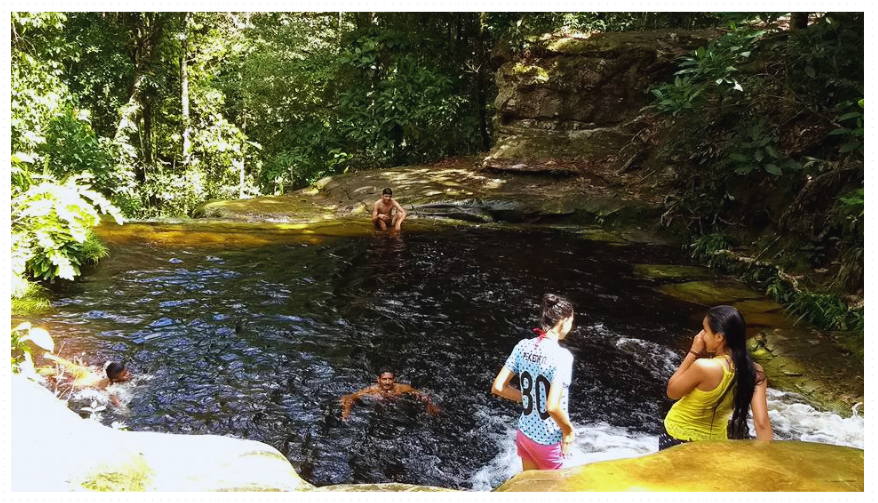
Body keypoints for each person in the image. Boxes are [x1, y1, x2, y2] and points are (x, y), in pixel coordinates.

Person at [660, 305, 773, 450]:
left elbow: (672, 392)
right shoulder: (755, 371)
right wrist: (769, 458)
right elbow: (762, 423)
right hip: (715, 444)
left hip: (678, 437)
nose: (701, 336)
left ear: (719, 337)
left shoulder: (704, 367)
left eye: (705, 330)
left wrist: (693, 352)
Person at [492, 294, 577, 471]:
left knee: (531, 488)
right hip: (548, 440)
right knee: (556, 491)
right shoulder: (562, 357)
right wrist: (568, 431)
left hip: (525, 434)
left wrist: (527, 397)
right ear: (564, 321)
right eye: (571, 321)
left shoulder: (523, 346)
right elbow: (552, 407)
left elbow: (498, 387)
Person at [340, 368, 440, 420]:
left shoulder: (402, 388)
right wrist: (346, 415)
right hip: (378, 409)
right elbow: (348, 398)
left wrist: (429, 404)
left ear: (394, 379)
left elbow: (422, 394)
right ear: (378, 380)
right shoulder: (371, 390)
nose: (387, 382)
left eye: (390, 379)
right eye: (384, 379)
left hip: (399, 407)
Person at [43, 355, 132, 406]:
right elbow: (114, 399)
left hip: (92, 375)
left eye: (126, 371)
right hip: (87, 382)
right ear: (115, 379)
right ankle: (47, 365)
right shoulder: (108, 386)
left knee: (72, 367)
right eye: (124, 374)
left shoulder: (112, 377)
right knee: (65, 379)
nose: (128, 374)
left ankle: (50, 357)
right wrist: (124, 410)